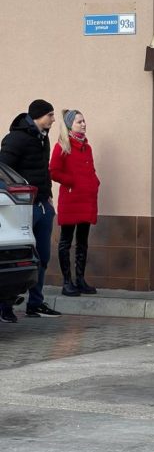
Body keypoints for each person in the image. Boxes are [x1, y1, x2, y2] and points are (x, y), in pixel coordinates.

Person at [0, 99, 62, 318]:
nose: (53, 119)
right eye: (50, 115)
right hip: (21, 208)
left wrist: (49, 197)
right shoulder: (15, 139)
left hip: (43, 207)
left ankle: (35, 303)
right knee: (15, 259)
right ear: (38, 115)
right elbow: (3, 170)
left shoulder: (42, 138)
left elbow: (44, 171)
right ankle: (5, 308)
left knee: (42, 257)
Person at [50, 109, 100, 296]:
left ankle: (80, 280)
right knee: (66, 241)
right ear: (71, 125)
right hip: (71, 200)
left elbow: (91, 170)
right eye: (80, 122)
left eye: (84, 121)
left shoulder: (87, 147)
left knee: (82, 242)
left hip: (86, 200)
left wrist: (94, 182)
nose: (84, 124)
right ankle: (67, 282)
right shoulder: (62, 145)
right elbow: (53, 171)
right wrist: (72, 182)